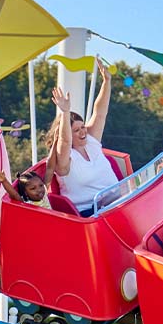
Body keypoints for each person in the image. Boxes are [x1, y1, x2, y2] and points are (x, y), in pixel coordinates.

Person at [48, 61, 116, 216]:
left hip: (116, 202)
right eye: (76, 130)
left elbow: (99, 113)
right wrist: (65, 112)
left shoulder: (91, 141)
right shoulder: (64, 159)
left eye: (82, 127)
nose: (82, 132)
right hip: (90, 213)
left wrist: (107, 81)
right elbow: (64, 141)